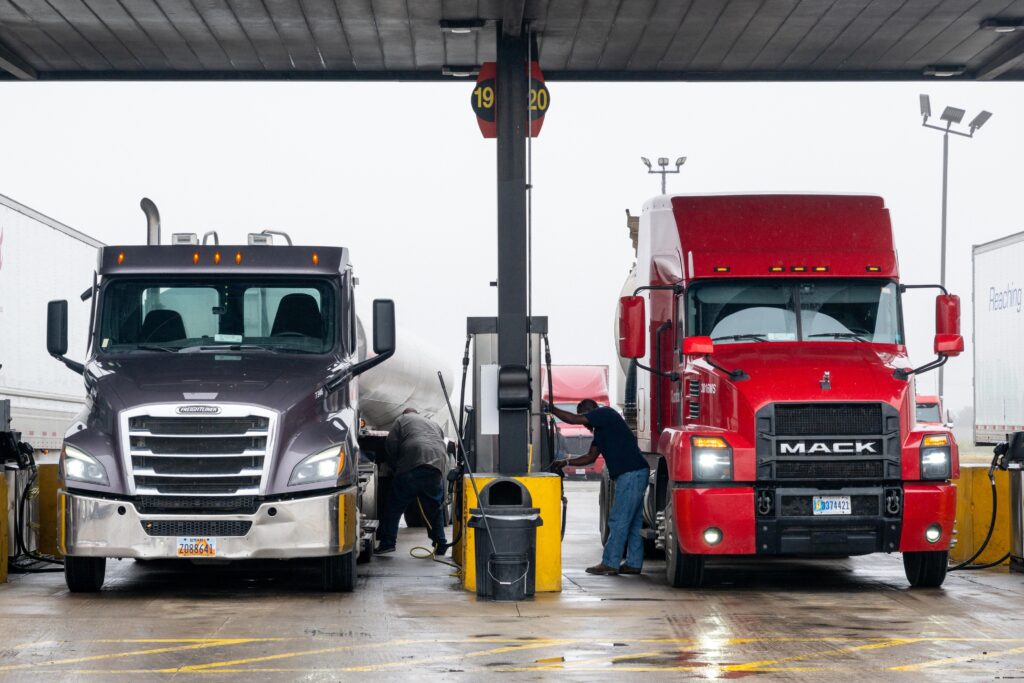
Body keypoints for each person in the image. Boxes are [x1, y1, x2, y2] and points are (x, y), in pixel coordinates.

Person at [545, 399, 649, 576]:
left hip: (631, 474)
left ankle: (610, 563)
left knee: (618, 520)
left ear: (591, 409)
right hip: (636, 473)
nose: (585, 422)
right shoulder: (601, 432)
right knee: (632, 522)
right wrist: (565, 462)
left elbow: (573, 419)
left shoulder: (605, 413)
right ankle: (633, 563)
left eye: (584, 414)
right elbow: (590, 458)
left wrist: (552, 409)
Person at [375, 408, 449, 556]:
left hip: (412, 464)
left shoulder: (401, 420)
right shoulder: (432, 423)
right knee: (435, 509)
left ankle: (388, 543)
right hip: (436, 465)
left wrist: (395, 466)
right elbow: (440, 440)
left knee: (394, 507)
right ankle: (440, 543)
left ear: (405, 413)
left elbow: (391, 445)